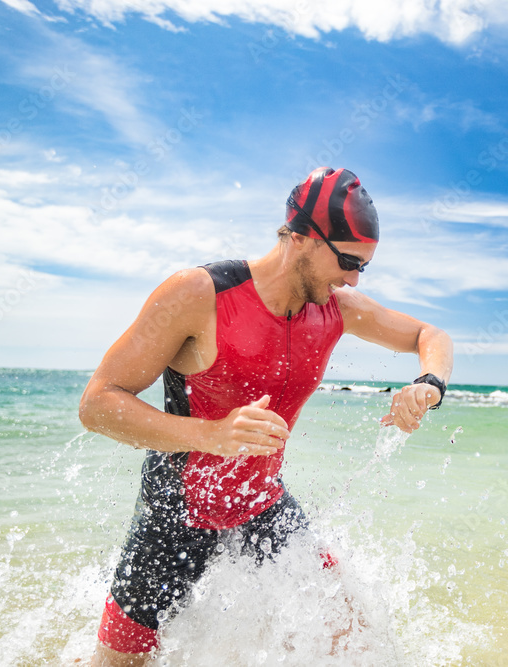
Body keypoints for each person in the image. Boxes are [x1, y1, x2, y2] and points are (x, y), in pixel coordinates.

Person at [78, 167, 453, 666]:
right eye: (347, 260)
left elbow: (431, 335)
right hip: (175, 516)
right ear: (300, 238)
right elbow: (98, 403)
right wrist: (211, 435)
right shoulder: (199, 294)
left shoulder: (337, 308)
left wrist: (428, 384)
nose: (353, 277)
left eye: (363, 266)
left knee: (355, 636)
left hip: (262, 505)